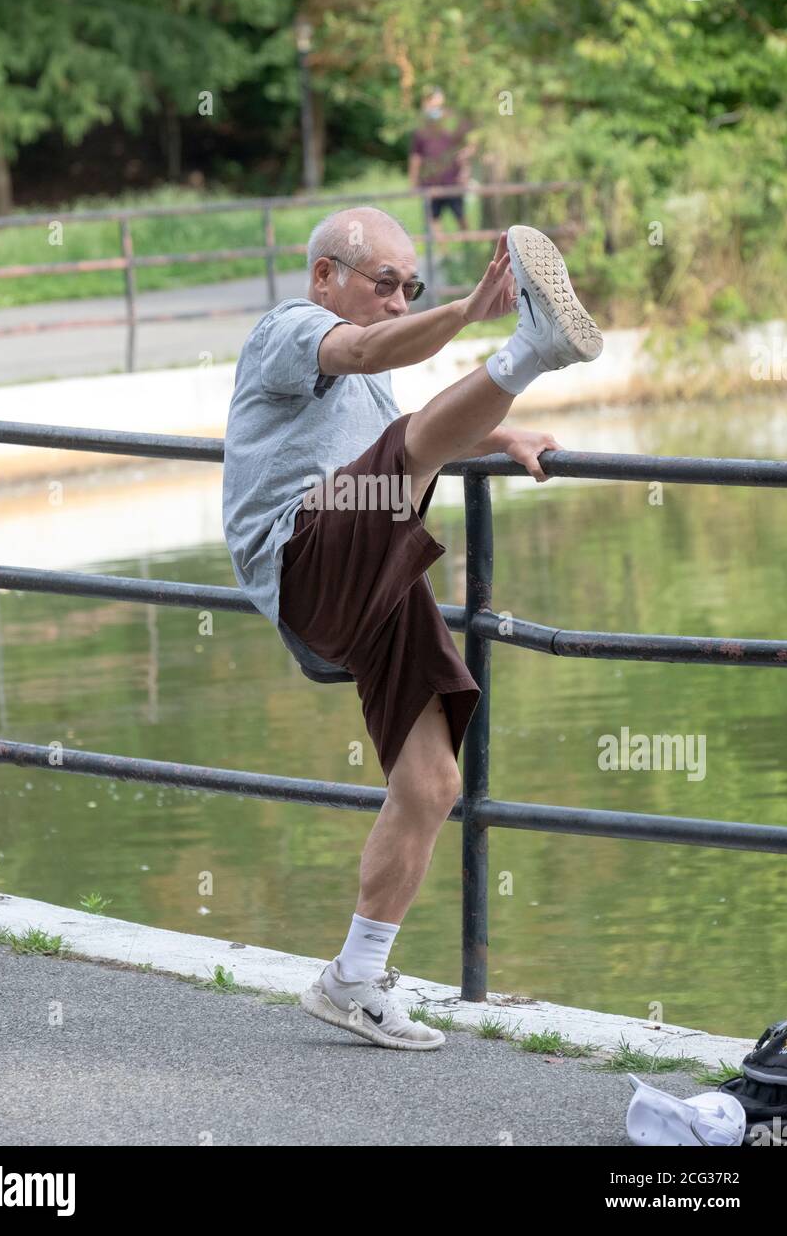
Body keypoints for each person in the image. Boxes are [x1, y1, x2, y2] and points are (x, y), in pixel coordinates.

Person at [221, 208, 603, 1050]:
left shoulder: (373, 377)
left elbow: (407, 436)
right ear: (324, 276)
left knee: (432, 782)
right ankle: (532, 349)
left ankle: (353, 980)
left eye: (412, 287)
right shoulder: (290, 329)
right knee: (401, 452)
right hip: (301, 557)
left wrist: (495, 433)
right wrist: (470, 313)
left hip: (374, 569)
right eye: (384, 283)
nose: (399, 301)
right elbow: (373, 376)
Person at [408, 87, 476, 243]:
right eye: (430, 103)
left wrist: (466, 167)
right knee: (433, 219)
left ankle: (469, 248)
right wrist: (413, 182)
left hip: (452, 181)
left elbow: (471, 141)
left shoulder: (453, 122)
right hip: (430, 183)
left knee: (460, 216)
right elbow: (416, 157)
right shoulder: (420, 128)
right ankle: (444, 253)